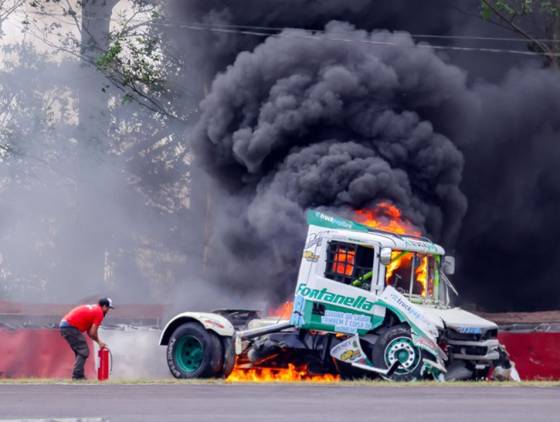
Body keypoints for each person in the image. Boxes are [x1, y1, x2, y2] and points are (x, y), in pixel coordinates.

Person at [59, 298, 114, 380]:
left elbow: (90, 332)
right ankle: (77, 376)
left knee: (80, 352)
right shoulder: (99, 313)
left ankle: (79, 375)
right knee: (84, 351)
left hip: (66, 326)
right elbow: (93, 332)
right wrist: (99, 342)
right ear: (104, 306)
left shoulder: (95, 309)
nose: (108, 311)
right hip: (70, 327)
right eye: (108, 308)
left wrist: (99, 342)